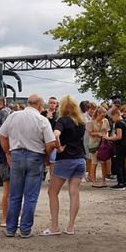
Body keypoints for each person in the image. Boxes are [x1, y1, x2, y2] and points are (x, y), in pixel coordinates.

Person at [0, 94, 56, 238]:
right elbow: (50, 143)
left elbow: (2, 135)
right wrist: (46, 156)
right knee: (30, 196)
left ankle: (10, 228)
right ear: (40, 105)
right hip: (35, 156)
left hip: (16, 155)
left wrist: (7, 152)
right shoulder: (42, 120)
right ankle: (25, 229)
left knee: (14, 195)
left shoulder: (13, 116)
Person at [42, 95, 87, 236]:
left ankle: (54, 226)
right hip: (80, 159)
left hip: (65, 159)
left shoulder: (62, 121)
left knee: (52, 192)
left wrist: (58, 145)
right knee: (74, 192)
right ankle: (70, 227)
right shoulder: (81, 122)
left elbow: (55, 133)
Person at [106, 106, 126, 189]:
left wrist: (108, 138)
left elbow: (119, 136)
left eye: (112, 117)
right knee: (122, 163)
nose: (112, 119)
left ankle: (120, 182)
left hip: (120, 146)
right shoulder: (124, 122)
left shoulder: (118, 123)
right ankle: (125, 181)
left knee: (118, 164)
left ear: (116, 115)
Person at [86, 106, 110, 187]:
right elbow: (90, 133)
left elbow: (107, 131)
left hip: (103, 144)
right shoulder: (90, 122)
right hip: (94, 144)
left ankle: (104, 180)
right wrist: (97, 134)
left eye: (104, 116)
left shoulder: (105, 121)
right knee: (94, 162)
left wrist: (106, 137)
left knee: (103, 162)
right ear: (98, 114)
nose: (103, 117)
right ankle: (93, 181)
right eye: (102, 115)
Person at [41, 96, 60, 181]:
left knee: (53, 159)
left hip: (53, 138)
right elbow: (40, 125)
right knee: (43, 157)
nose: (52, 104)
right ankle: (42, 173)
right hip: (44, 138)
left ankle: (52, 177)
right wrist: (47, 118)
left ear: (56, 104)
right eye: (51, 103)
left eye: (54, 103)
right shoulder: (43, 113)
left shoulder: (58, 114)